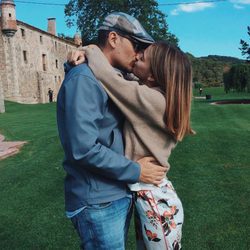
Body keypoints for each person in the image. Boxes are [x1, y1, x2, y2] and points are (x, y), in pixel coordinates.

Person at [56, 12, 167, 250]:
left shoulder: (112, 78)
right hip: (98, 202)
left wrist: (85, 52)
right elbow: (83, 149)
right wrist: (137, 170)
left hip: (113, 194)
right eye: (136, 45)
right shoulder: (85, 79)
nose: (139, 54)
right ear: (114, 39)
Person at [68, 41, 194, 249]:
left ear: (153, 76)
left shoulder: (154, 100)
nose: (136, 56)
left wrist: (90, 49)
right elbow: (126, 77)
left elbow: (112, 80)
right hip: (151, 193)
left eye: (143, 58)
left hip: (153, 198)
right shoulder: (160, 96)